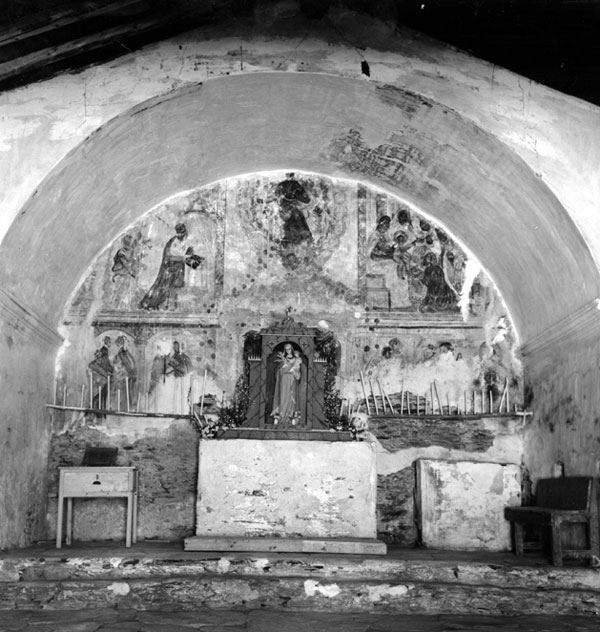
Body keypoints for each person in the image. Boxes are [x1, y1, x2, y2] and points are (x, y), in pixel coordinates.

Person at [139, 222, 203, 310]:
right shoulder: (172, 241)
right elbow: (168, 255)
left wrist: (189, 257)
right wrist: (181, 258)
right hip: (169, 267)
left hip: (179, 267)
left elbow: (190, 252)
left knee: (174, 286)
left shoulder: (187, 241)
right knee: (163, 286)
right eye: (178, 233)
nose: (180, 235)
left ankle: (170, 306)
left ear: (184, 232)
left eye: (182, 233)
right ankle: (151, 304)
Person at [270, 343, 303, 427]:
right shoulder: (283, 359)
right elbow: (279, 371)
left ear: (291, 349)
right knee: (283, 397)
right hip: (284, 380)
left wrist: (294, 371)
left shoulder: (296, 359)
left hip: (291, 380)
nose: (288, 351)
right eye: (286, 349)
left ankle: (291, 416)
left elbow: (298, 374)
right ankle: (280, 416)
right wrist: (282, 367)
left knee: (291, 398)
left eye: (289, 349)